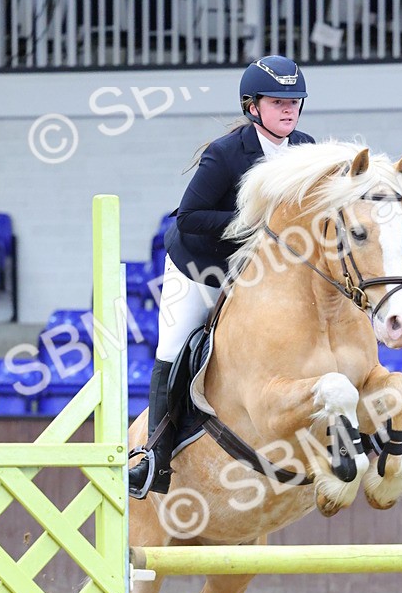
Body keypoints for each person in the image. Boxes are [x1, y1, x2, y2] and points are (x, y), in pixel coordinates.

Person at [129, 55, 315, 499]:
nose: (288, 109)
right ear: (252, 107)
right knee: (173, 348)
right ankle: (153, 457)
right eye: (278, 102)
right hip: (202, 268)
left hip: (261, 274)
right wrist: (254, 224)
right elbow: (189, 216)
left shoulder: (307, 150)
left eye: (294, 101)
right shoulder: (226, 153)